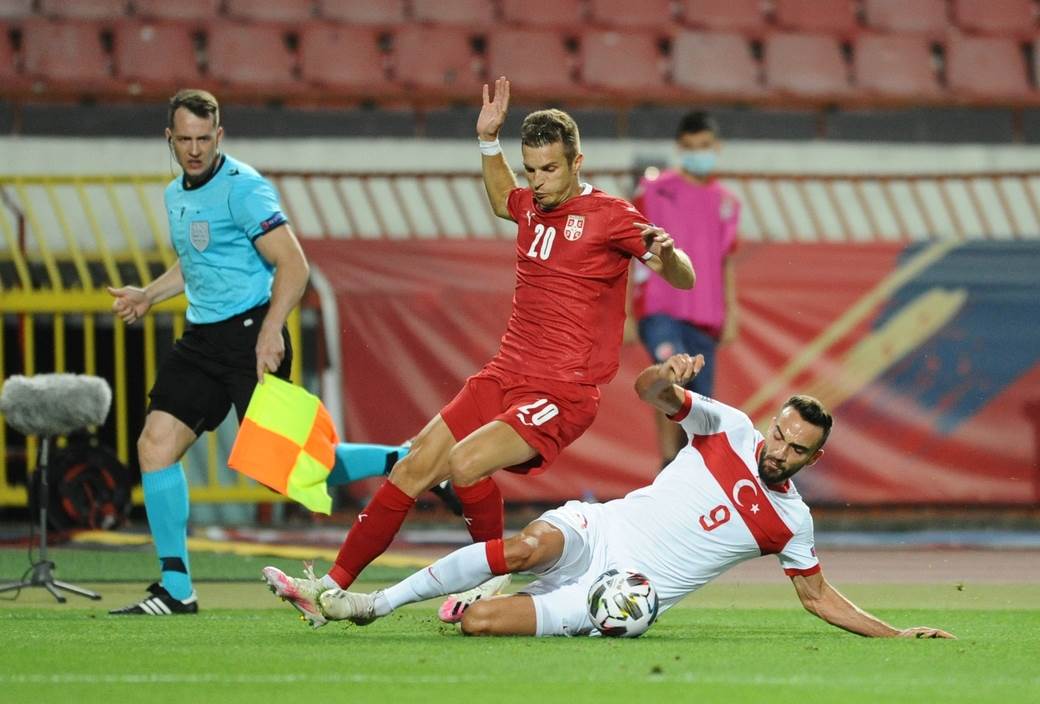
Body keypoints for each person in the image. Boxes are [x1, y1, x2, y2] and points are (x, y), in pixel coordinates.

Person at [263, 76, 695, 627]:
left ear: (578, 161)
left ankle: (491, 576)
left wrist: (670, 253)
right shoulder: (532, 206)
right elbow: (501, 198)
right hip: (505, 370)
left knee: (464, 464)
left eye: (550, 169)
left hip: (562, 390)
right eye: (531, 168)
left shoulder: (610, 216)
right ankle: (328, 590)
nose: (538, 182)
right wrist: (488, 142)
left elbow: (681, 277)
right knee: (416, 464)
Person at [314, 354, 955, 641]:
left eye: (795, 449)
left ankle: (503, 608)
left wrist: (892, 633)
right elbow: (651, 393)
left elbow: (816, 597)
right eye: (779, 432)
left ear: (813, 460)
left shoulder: (792, 522)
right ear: (771, 421)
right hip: (599, 529)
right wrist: (665, 376)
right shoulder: (729, 427)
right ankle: (373, 602)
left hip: (619, 594)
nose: (778, 449)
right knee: (526, 545)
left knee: (480, 624)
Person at [107, 89, 310, 615]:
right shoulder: (176, 193)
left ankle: (406, 462)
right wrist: (148, 296)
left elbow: (294, 265)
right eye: (185, 140)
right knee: (154, 445)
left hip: (249, 337)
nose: (195, 149)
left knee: (287, 471)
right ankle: (176, 588)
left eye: (204, 139)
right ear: (169, 140)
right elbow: (197, 262)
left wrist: (271, 330)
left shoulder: (243, 190)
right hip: (202, 341)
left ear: (219, 137)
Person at [632, 111, 741, 465]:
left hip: (705, 316)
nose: (699, 152)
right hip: (660, 308)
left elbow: (725, 260)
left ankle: (685, 474)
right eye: (691, 147)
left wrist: (732, 311)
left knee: (697, 405)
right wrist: (623, 313)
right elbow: (631, 251)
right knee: (670, 378)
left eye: (705, 146)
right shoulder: (653, 189)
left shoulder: (728, 202)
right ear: (680, 148)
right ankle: (667, 466)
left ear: (717, 147)